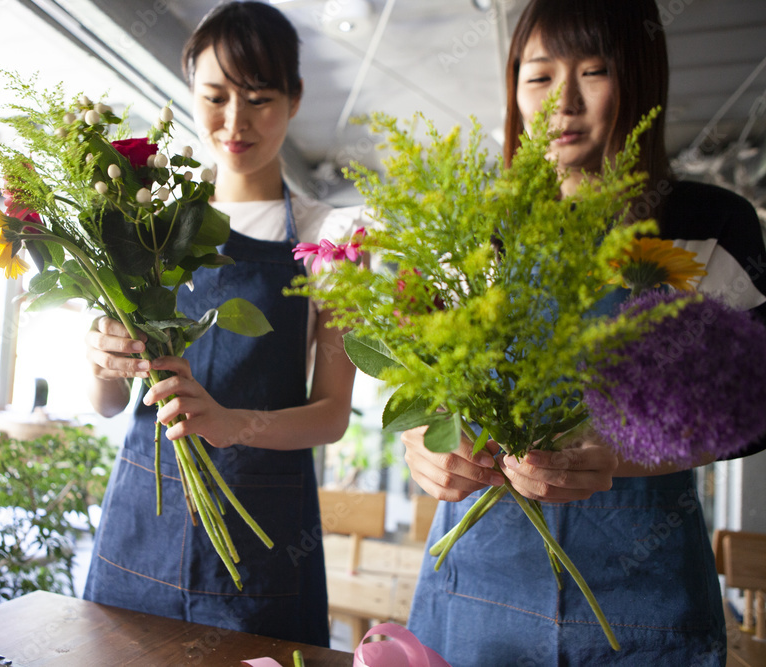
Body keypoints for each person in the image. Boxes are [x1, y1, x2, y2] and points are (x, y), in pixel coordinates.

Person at [402, 0, 766, 664]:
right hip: (476, 592)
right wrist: (421, 443)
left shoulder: (709, 226)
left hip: (642, 607)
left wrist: (628, 451)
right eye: (539, 77)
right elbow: (421, 382)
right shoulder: (472, 228)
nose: (561, 103)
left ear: (642, 80)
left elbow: (759, 406)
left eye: (592, 71)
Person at [80, 1, 359, 647]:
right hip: (140, 525)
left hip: (260, 541)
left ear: (294, 98)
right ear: (190, 94)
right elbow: (108, 403)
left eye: (260, 98)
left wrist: (234, 425)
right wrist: (98, 360)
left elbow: (332, 413)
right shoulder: (146, 223)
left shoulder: (329, 236)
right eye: (215, 96)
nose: (235, 121)